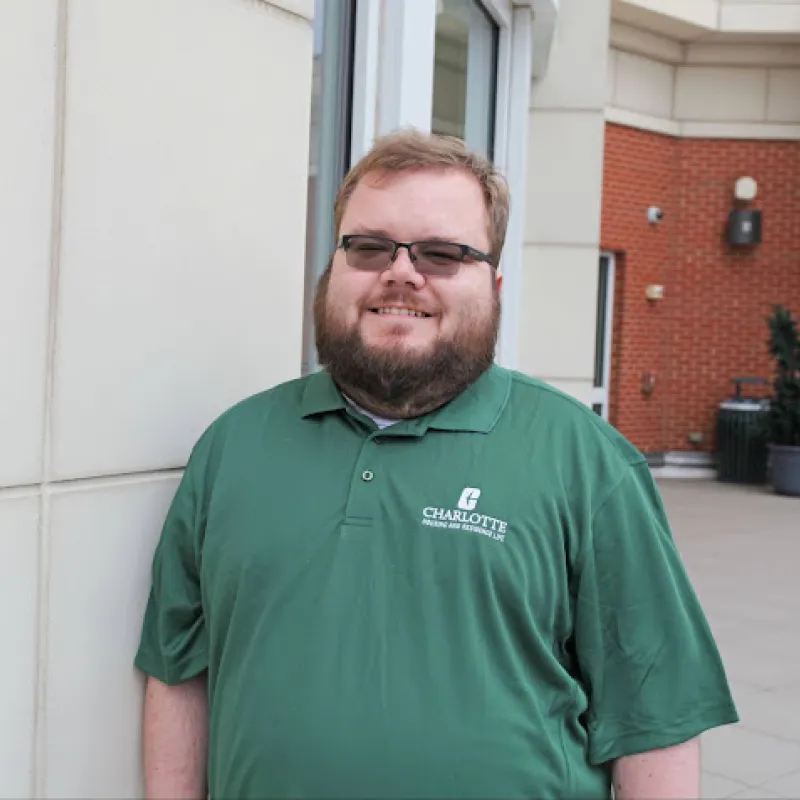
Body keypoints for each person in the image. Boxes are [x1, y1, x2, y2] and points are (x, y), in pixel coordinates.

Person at [135, 130, 738, 800]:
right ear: (332, 269)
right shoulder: (234, 447)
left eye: (442, 253)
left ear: (496, 286)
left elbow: (654, 718)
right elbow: (177, 670)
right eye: (367, 247)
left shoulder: (586, 461)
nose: (401, 272)